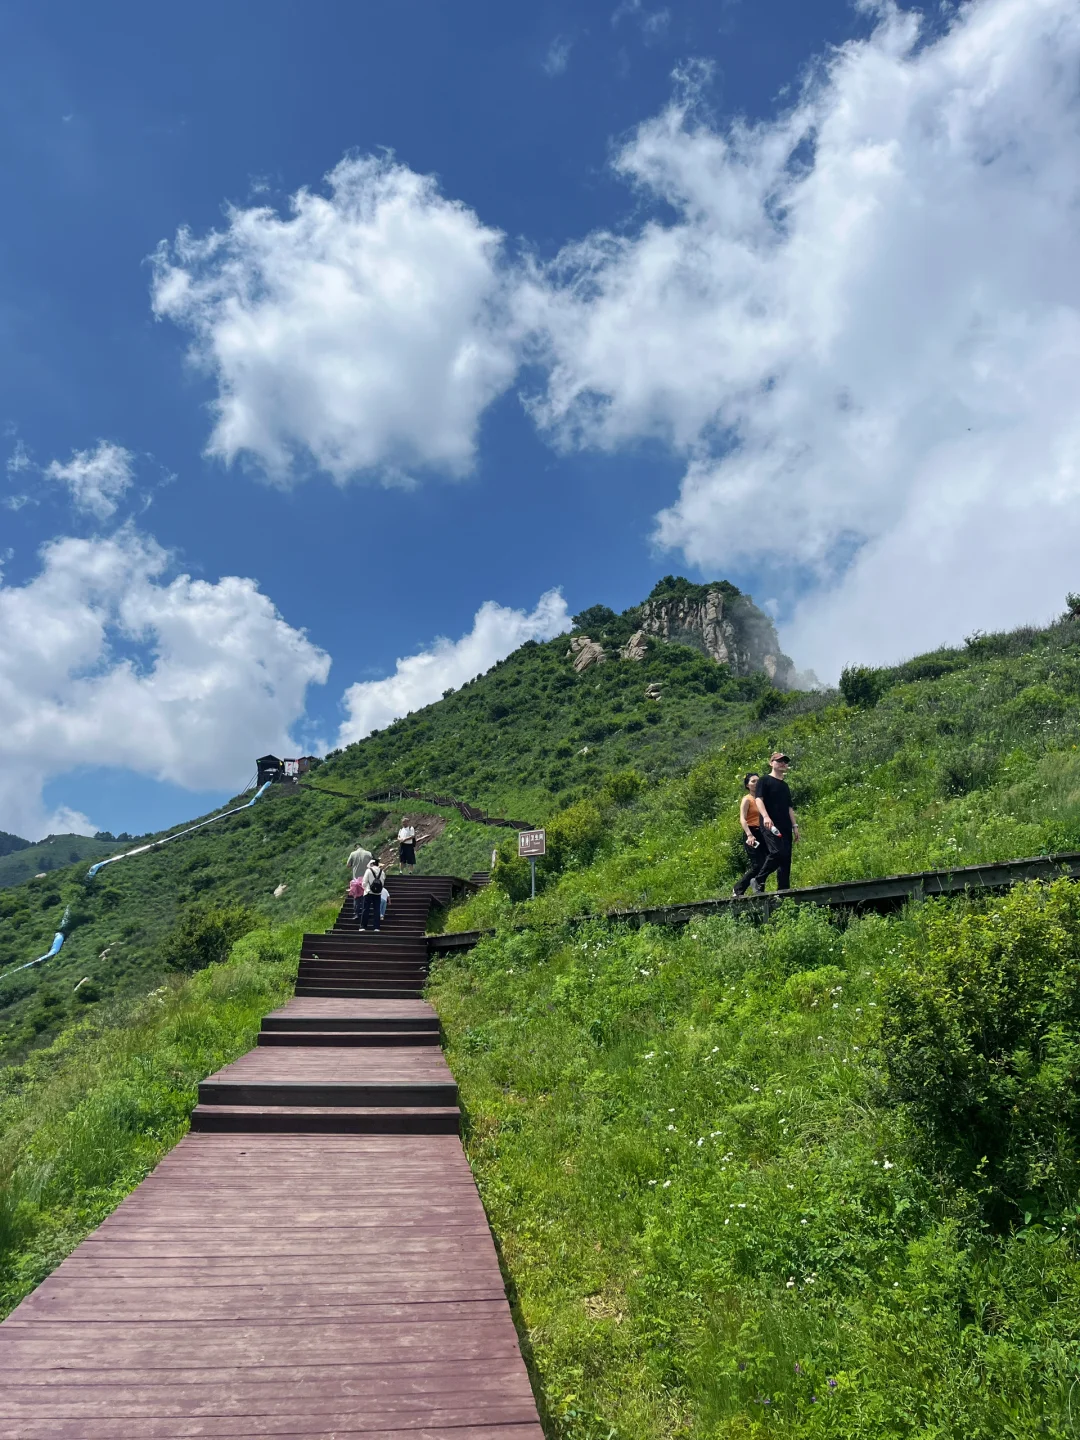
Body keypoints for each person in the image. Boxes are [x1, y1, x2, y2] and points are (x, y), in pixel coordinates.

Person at [752, 752, 799, 893]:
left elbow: (789, 807)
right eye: (779, 761)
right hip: (770, 824)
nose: (782, 763)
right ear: (771, 763)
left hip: (785, 825)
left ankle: (783, 892)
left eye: (785, 761)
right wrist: (766, 817)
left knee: (786, 859)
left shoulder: (785, 786)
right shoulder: (765, 780)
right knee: (776, 852)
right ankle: (759, 880)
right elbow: (759, 799)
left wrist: (795, 826)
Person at [731, 773, 765, 896]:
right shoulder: (747, 799)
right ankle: (738, 889)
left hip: (763, 833)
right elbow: (743, 819)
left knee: (767, 863)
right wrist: (749, 835)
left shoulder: (762, 798)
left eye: (758, 781)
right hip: (751, 833)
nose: (756, 783)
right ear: (747, 785)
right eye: (753, 781)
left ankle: (759, 889)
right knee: (757, 865)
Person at [360, 857, 387, 931]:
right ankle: (376, 927)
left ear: (371, 864)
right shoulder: (382, 872)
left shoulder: (368, 870)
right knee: (377, 910)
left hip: (368, 892)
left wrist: (366, 889)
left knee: (366, 910)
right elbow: (383, 883)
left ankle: (363, 926)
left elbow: (364, 882)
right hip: (378, 894)